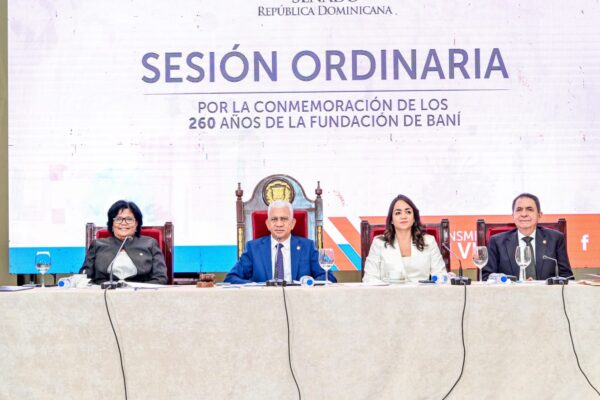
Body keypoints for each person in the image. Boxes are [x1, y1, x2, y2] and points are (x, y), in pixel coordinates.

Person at [224, 200, 336, 284]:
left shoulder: (308, 247)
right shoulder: (253, 248)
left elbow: (328, 278)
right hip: (262, 302)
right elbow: (231, 278)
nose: (279, 224)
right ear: (268, 224)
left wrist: (307, 283)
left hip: (300, 302)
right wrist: (255, 287)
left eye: (284, 219)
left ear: (292, 223)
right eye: (274, 219)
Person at [482, 193, 572, 281]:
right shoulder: (497, 242)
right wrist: (511, 282)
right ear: (513, 216)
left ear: (539, 215)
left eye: (529, 209)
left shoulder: (555, 239)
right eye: (519, 209)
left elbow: (567, 277)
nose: (524, 214)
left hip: (546, 291)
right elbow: (487, 277)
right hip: (511, 290)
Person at [362, 194, 446, 283]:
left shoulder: (429, 241)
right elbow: (369, 278)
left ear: (414, 218)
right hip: (389, 291)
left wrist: (439, 280)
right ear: (391, 220)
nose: (403, 216)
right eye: (398, 213)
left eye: (408, 212)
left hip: (422, 291)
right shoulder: (379, 243)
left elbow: (441, 275)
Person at [81, 200, 168, 285]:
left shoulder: (150, 244)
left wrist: (139, 290)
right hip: (104, 292)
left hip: (140, 292)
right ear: (112, 224)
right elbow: (85, 278)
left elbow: (160, 278)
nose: (123, 223)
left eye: (129, 219)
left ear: (136, 223)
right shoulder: (97, 245)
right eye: (118, 219)